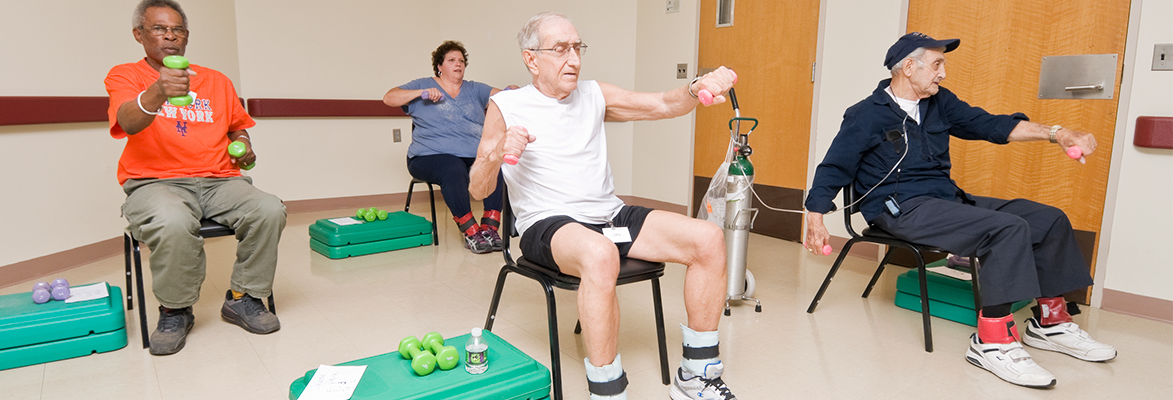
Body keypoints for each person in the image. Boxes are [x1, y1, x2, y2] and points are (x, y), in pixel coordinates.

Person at [803, 32, 1116, 388]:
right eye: (937, 64)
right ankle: (992, 341)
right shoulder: (865, 115)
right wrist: (815, 214)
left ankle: (1051, 322)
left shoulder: (940, 103)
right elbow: (835, 167)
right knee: (1006, 228)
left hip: (946, 200)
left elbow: (992, 125)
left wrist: (1057, 134)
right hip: (900, 209)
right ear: (908, 67)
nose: (943, 73)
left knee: (1048, 219)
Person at [470, 12, 739, 400]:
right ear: (531, 59)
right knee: (599, 255)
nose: (574, 59)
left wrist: (696, 87)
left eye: (577, 48)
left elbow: (664, 104)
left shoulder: (594, 93)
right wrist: (497, 152)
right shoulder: (507, 105)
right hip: (547, 223)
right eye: (561, 49)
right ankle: (607, 391)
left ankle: (696, 376)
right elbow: (479, 188)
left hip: (609, 215)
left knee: (708, 238)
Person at [106, 0, 285, 356]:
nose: (170, 36)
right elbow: (128, 121)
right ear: (139, 34)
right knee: (173, 221)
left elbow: (238, 129)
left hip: (220, 180)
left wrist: (244, 147)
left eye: (178, 30)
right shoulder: (124, 75)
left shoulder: (217, 80)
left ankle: (242, 297)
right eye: (159, 29)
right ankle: (175, 309)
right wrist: (159, 90)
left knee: (269, 208)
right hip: (155, 182)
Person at [384, 41, 518, 254]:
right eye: (452, 60)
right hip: (428, 157)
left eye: (462, 61)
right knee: (452, 168)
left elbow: (505, 96)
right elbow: (389, 97)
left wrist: (512, 92)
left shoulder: (475, 89)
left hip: (471, 155)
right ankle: (471, 231)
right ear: (439, 66)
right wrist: (420, 93)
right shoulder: (424, 84)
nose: (458, 64)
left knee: (495, 164)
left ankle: (490, 229)